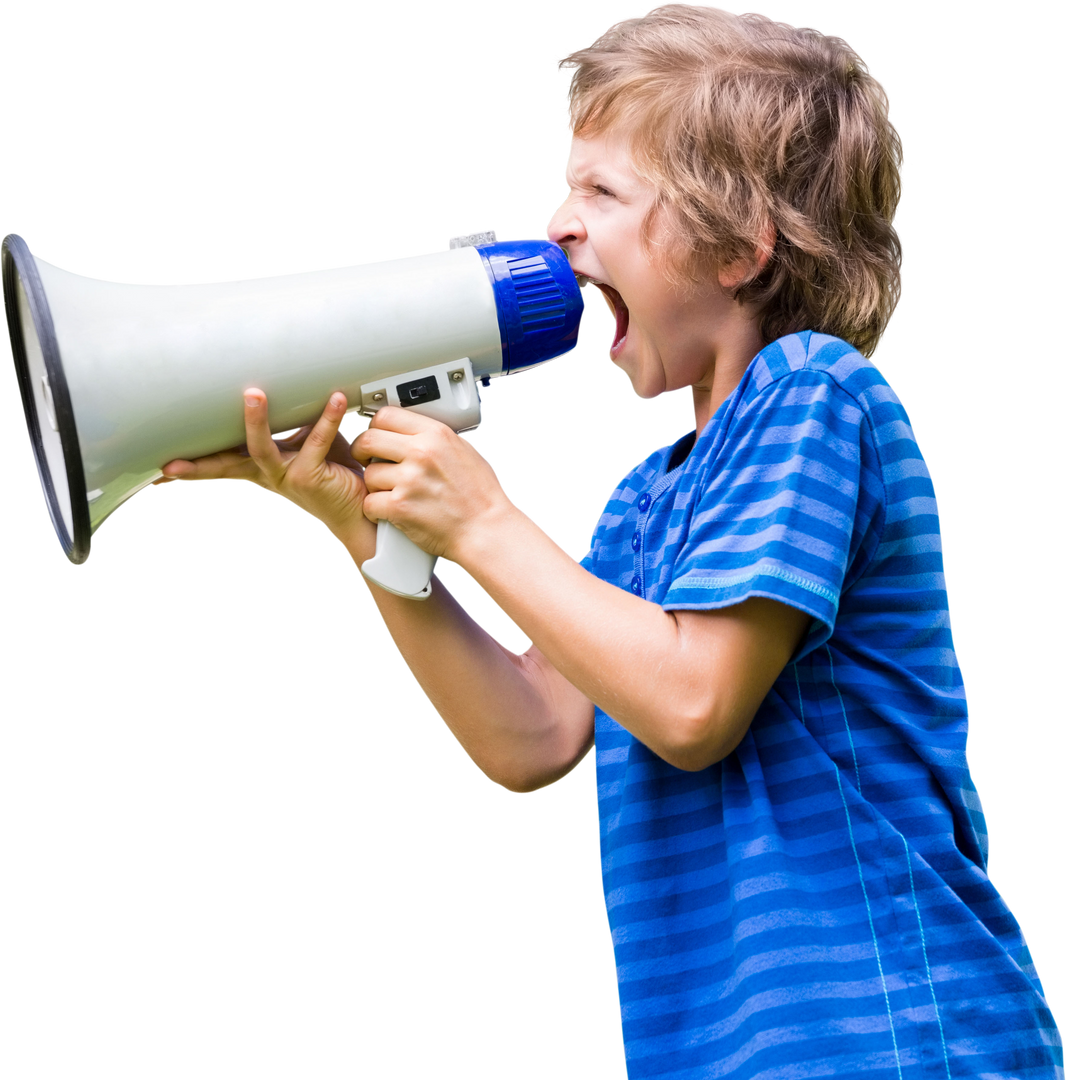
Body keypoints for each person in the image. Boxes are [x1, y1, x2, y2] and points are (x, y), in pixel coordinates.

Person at [153, 3, 1063, 1075]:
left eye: (602, 192)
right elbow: (532, 736)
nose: (558, 223)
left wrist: (486, 523)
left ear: (740, 245)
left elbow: (690, 705)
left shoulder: (815, 393)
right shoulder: (643, 498)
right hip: (718, 1050)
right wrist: (370, 533)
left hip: (886, 1028)